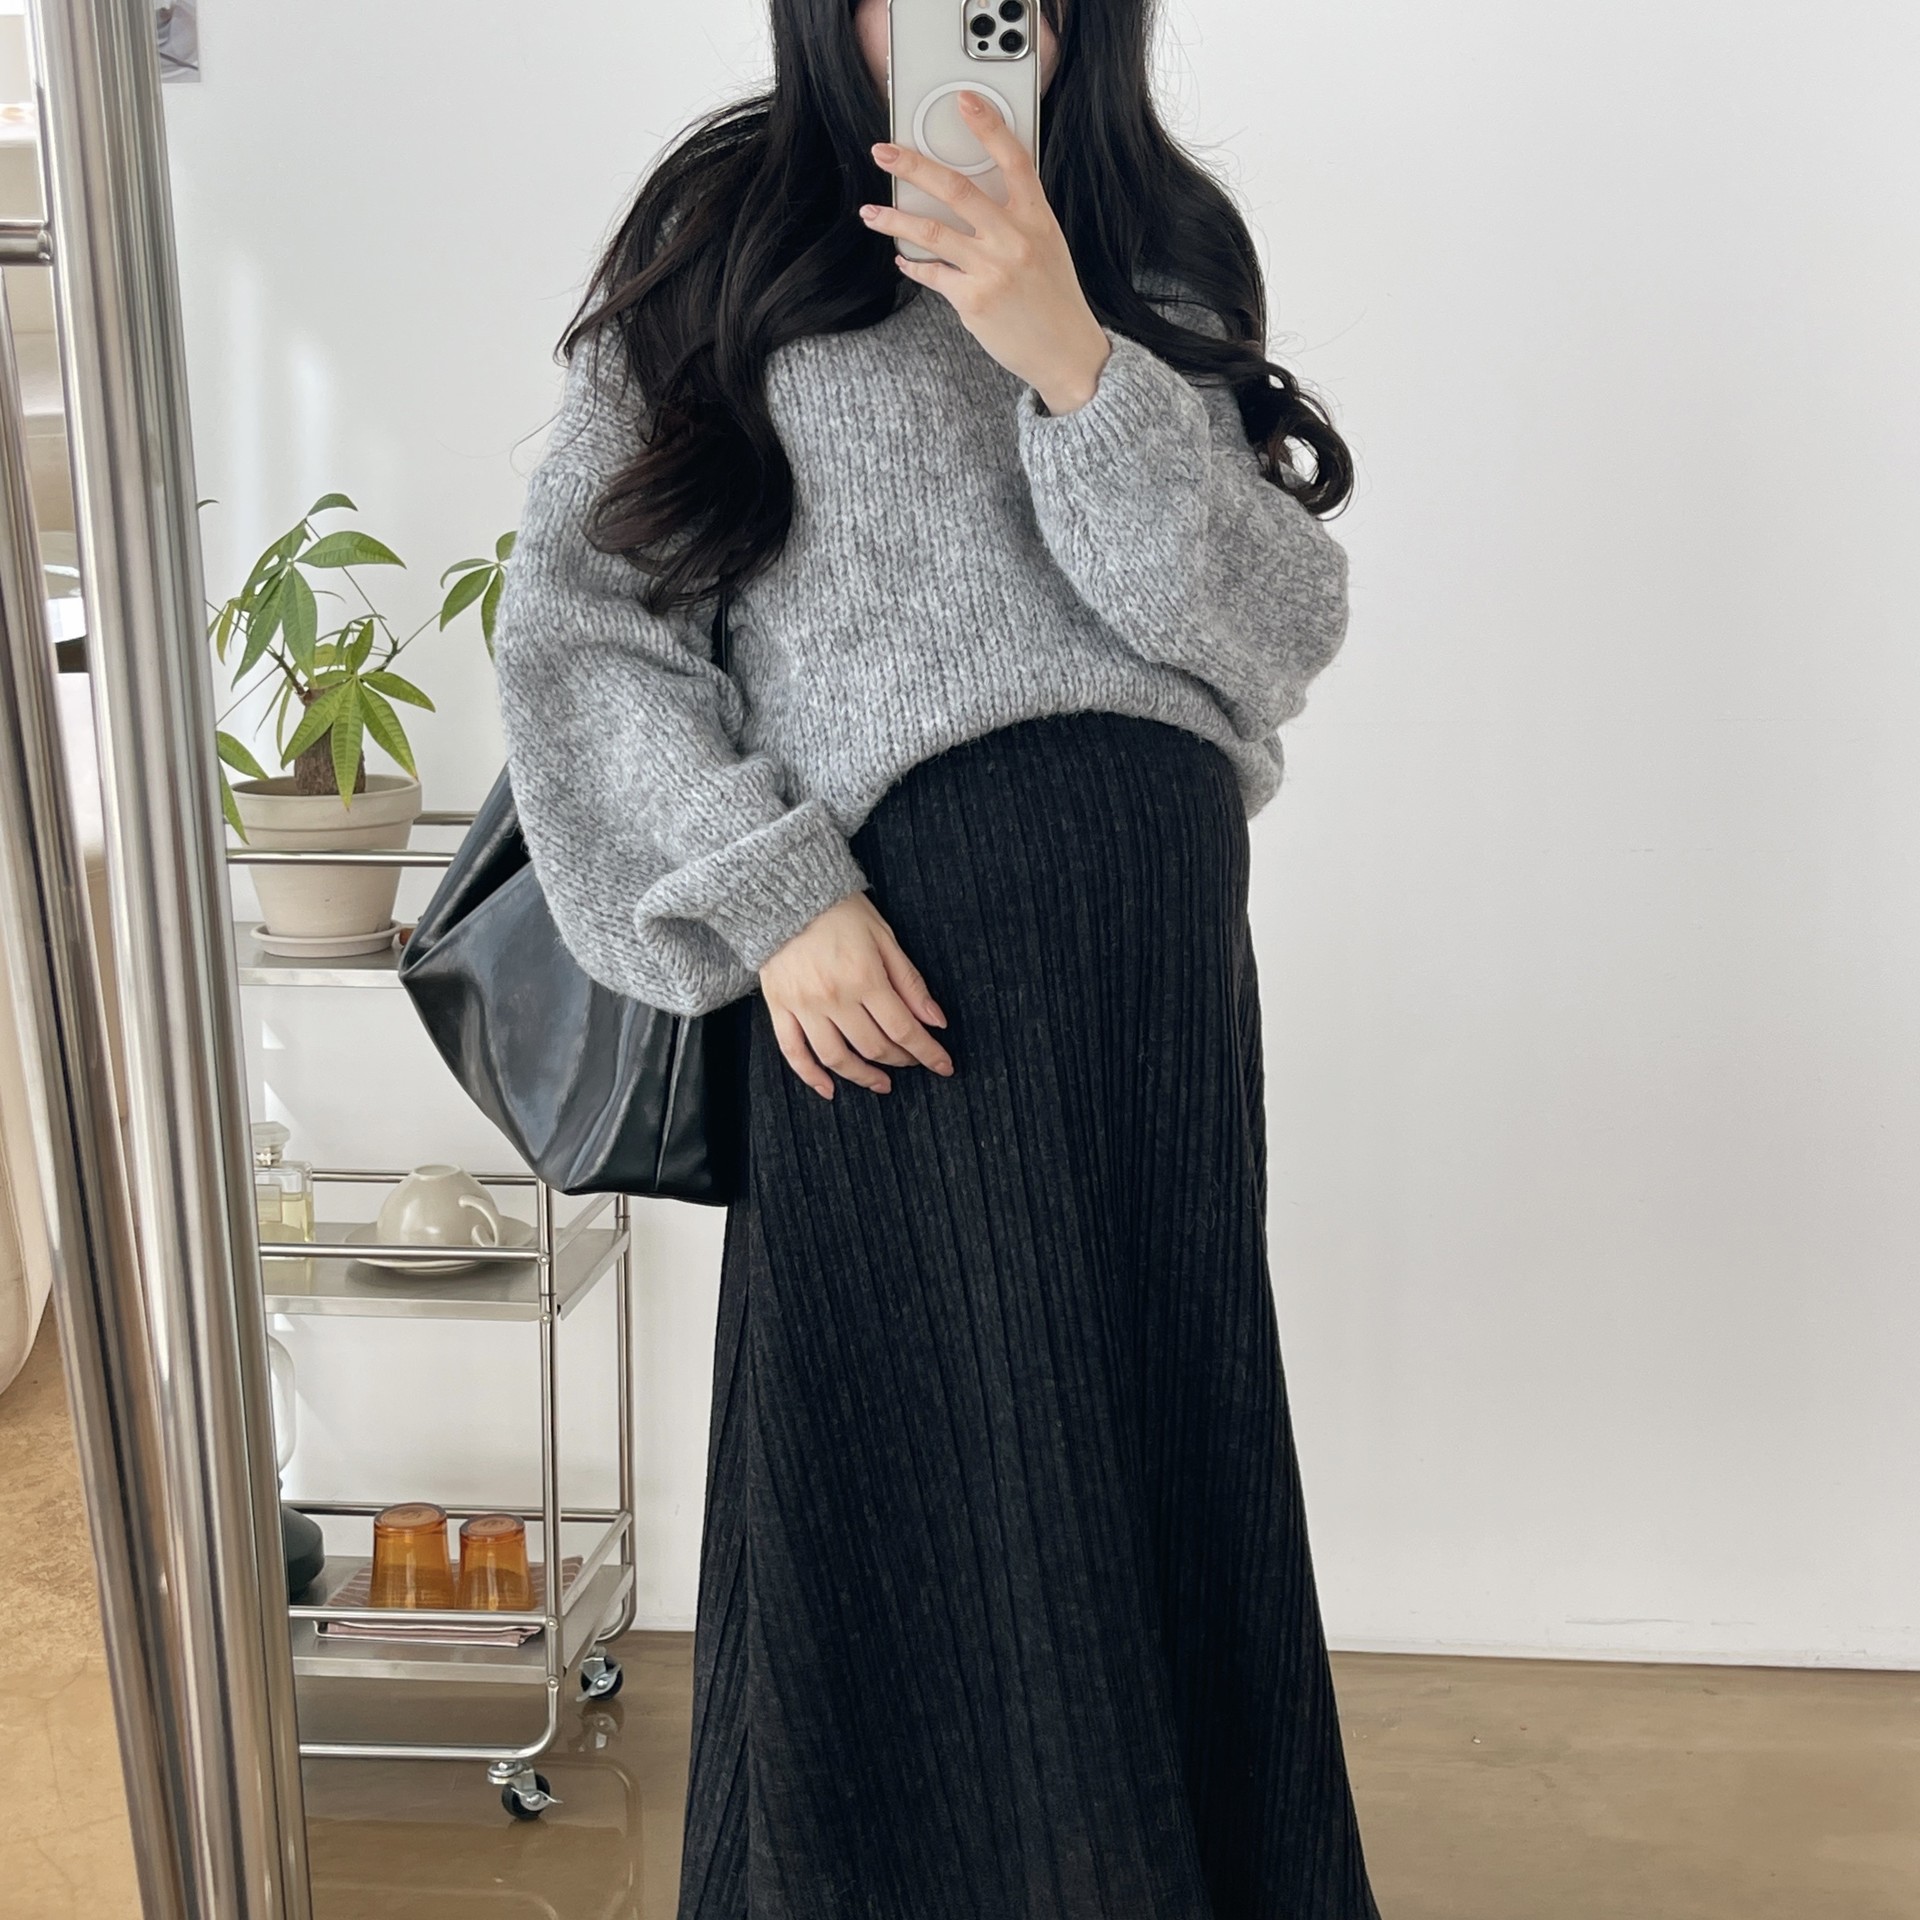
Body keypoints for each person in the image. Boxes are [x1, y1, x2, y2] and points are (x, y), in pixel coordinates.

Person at [492, 2, 1380, 1913]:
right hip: (885, 972)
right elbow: (581, 626)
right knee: (905, 1493)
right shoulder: (733, 229)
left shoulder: (1153, 243)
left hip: (1152, 990)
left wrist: (1074, 357)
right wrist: (771, 893)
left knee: (1163, 1468)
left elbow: (1275, 631)